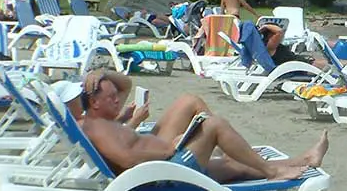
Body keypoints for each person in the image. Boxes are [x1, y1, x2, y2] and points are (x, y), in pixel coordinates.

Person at [70, 69, 328, 181]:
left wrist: (102, 75)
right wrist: (168, 149)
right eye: (110, 97)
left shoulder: (99, 119)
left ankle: (304, 159)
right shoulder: (96, 127)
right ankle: (271, 170)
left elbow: (125, 83)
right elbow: (126, 158)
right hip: (162, 168)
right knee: (214, 125)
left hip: (161, 155)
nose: (118, 98)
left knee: (188, 102)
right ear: (93, 102)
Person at [257, 22, 326, 69]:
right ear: (270, 35)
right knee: (328, 67)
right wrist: (265, 26)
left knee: (325, 63)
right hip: (298, 67)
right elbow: (279, 32)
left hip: (299, 63)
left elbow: (279, 32)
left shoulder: (268, 45)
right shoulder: (270, 46)